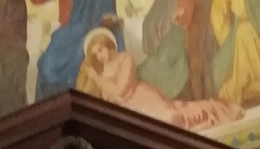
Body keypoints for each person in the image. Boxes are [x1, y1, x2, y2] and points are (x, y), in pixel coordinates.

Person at [77, 27, 242, 130]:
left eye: (100, 50)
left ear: (108, 44)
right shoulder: (101, 73)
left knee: (170, 119)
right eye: (96, 55)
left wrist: (97, 79)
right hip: (127, 113)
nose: (100, 56)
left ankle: (218, 110)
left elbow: (121, 90)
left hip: (142, 100)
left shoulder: (126, 58)